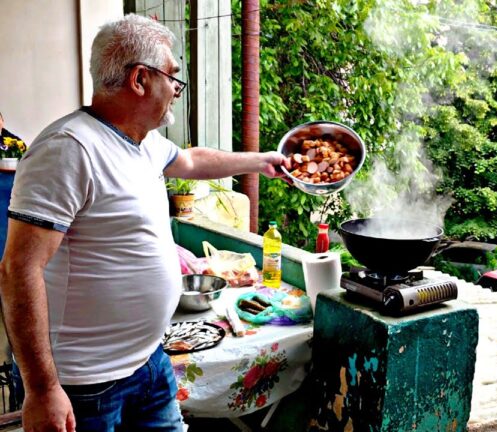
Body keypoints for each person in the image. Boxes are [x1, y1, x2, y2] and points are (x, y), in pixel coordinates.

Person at [0, 14, 290, 432]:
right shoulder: (68, 150)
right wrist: (43, 389)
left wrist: (262, 162)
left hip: (150, 364)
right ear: (139, 79)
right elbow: (18, 270)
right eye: (172, 76)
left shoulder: (141, 141)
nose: (175, 89)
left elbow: (190, 160)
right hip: (86, 385)